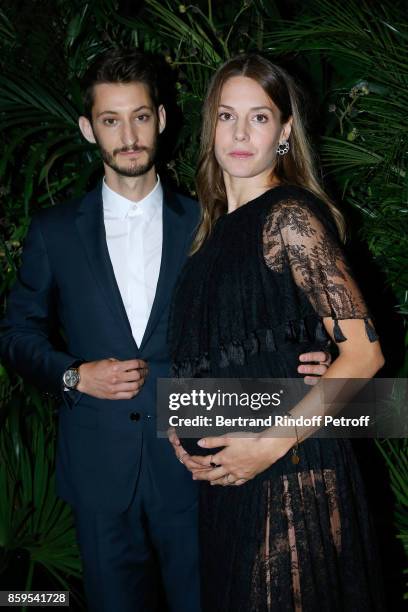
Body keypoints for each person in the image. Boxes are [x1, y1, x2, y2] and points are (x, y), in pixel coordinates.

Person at [0, 48, 330, 612]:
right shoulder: (53, 231)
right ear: (88, 129)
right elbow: (14, 333)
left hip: (197, 460)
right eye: (110, 120)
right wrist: (74, 375)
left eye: (140, 116)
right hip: (99, 469)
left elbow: (269, 305)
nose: (128, 134)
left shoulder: (210, 220)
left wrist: (317, 353)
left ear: (163, 119)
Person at [169, 54, 386, 611]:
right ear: (209, 126)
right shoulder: (207, 239)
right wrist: (183, 427)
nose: (241, 133)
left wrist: (263, 449)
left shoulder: (288, 216)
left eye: (260, 118)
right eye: (226, 116)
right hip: (227, 484)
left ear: (285, 132)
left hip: (287, 472)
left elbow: (364, 357)